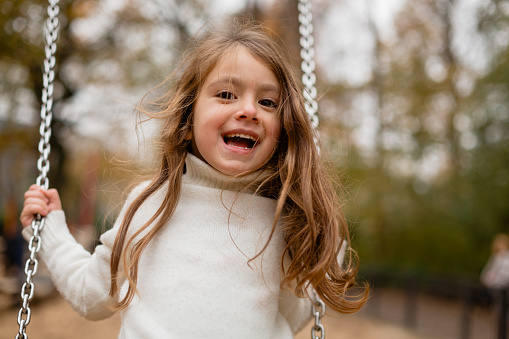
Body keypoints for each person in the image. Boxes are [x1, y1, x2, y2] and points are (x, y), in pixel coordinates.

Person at [20, 19, 367, 338]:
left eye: (267, 101)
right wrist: (49, 231)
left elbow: (289, 318)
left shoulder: (285, 221)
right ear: (188, 118)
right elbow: (91, 294)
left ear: (284, 129)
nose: (248, 110)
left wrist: (326, 244)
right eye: (226, 94)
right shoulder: (149, 205)